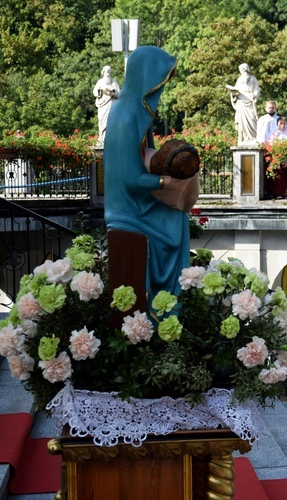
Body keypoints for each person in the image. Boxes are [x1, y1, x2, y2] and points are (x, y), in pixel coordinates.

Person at [104, 46, 199, 310]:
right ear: (144, 79)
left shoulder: (136, 112)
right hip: (127, 209)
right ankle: (165, 306)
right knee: (175, 222)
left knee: (177, 217)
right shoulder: (125, 116)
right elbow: (129, 177)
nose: (160, 90)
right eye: (158, 83)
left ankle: (168, 304)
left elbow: (146, 157)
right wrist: (166, 183)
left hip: (137, 202)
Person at [227, 63, 260, 144]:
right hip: (241, 101)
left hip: (250, 101)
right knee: (242, 121)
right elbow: (236, 90)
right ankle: (244, 138)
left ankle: (252, 137)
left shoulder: (253, 78)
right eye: (241, 69)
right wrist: (233, 93)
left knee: (252, 119)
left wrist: (254, 95)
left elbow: (257, 90)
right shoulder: (239, 79)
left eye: (243, 69)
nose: (242, 71)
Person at [93, 65, 120, 145]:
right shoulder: (100, 82)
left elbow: (119, 94)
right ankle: (102, 138)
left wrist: (112, 93)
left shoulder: (114, 82)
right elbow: (95, 92)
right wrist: (101, 90)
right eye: (106, 72)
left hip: (111, 103)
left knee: (111, 121)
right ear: (103, 72)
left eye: (109, 72)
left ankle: (110, 139)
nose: (107, 74)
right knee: (102, 120)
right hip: (103, 105)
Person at [265, 116, 287, 198]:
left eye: (284, 123)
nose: (283, 125)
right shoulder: (273, 134)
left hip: (285, 158)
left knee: (284, 176)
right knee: (276, 176)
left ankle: (283, 192)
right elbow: (270, 145)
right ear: (277, 124)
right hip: (276, 158)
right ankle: (276, 192)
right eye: (281, 123)